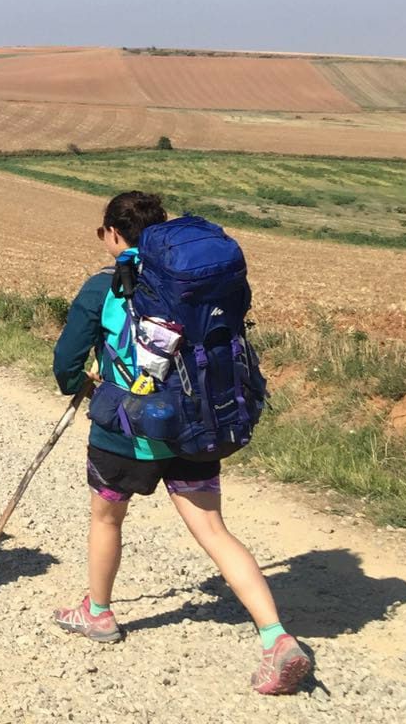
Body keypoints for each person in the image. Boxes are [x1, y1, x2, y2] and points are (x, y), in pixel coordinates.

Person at [51, 190, 313, 696]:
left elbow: (68, 358)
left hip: (127, 431)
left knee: (107, 516)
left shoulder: (104, 286)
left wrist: (73, 382)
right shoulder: (192, 285)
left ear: (112, 234)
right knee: (214, 530)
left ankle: (98, 613)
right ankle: (275, 637)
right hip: (199, 425)